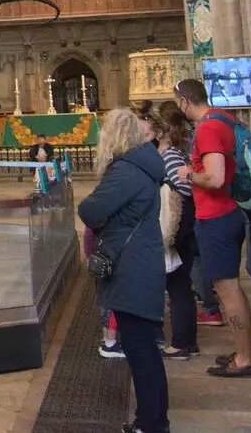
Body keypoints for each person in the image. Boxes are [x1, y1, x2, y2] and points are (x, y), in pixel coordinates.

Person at [78, 108, 169, 433]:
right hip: (142, 259)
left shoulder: (126, 171)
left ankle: (151, 424)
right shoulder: (144, 166)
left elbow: (90, 209)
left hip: (131, 266)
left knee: (140, 350)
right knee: (144, 347)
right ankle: (155, 420)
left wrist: (101, 218)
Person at [174, 78, 251, 377]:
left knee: (227, 291)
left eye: (178, 103)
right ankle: (248, 350)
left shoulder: (208, 127)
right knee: (233, 288)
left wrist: (187, 174)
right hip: (228, 213)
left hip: (216, 216)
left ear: (184, 100)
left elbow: (215, 178)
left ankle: (245, 360)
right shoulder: (223, 118)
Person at [152, 101, 198, 358]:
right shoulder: (175, 152)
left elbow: (181, 193)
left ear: (161, 132)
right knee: (180, 286)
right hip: (183, 226)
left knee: (178, 285)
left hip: (179, 227)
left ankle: (180, 342)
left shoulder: (170, 155)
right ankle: (187, 339)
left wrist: (171, 231)